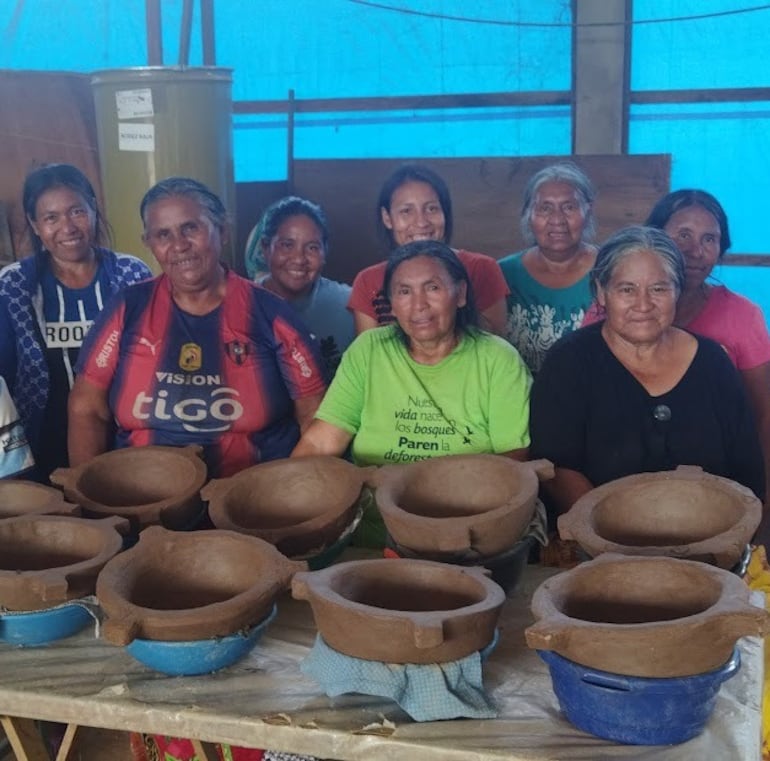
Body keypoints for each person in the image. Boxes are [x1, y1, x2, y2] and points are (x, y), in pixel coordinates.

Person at [68, 177, 327, 479]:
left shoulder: (270, 314)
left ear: (222, 230)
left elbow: (315, 416)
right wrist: (86, 498)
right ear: (149, 243)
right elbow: (86, 408)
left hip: (247, 506)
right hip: (139, 500)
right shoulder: (127, 308)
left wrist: (294, 495)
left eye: (191, 228)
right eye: (163, 234)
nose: (179, 245)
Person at [530, 225, 767, 548]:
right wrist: (614, 543)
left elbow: (746, 470)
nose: (643, 304)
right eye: (626, 289)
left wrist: (718, 543)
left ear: (677, 291)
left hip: (709, 549)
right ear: (601, 293)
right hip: (600, 551)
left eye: (659, 289)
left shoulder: (713, 363)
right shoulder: (569, 362)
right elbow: (558, 467)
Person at [294, 240, 532, 543]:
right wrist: (288, 491)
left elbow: (512, 460)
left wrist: (430, 502)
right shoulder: (369, 351)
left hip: (464, 532)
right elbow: (322, 442)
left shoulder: (498, 359)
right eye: (404, 292)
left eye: (432, 288)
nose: (418, 305)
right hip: (374, 531)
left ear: (459, 294)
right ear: (391, 304)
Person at [0, 163, 151, 480]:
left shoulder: (131, 274)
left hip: (124, 439)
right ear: (34, 223)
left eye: (76, 212)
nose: (67, 227)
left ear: (94, 210)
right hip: (39, 445)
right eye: (51, 217)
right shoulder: (13, 286)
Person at [646, 189, 770, 509]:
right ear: (654, 238)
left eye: (709, 239)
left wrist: (762, 500)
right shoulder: (616, 308)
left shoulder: (742, 317)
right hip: (624, 478)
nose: (695, 251)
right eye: (683, 235)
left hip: (717, 487)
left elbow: (763, 414)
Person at [348, 164, 509, 335]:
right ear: (387, 218)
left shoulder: (481, 269)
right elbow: (369, 354)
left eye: (431, 208)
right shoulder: (368, 281)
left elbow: (495, 346)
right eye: (406, 211)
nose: (421, 222)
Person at [498, 162, 597, 374]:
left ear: (588, 210)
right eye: (545, 208)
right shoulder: (502, 274)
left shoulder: (610, 271)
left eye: (569, 207)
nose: (557, 220)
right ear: (528, 215)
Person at [257, 195, 355, 376]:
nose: (299, 259)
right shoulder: (242, 303)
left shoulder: (350, 305)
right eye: (287, 245)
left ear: (325, 252)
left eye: (312, 248)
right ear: (265, 248)